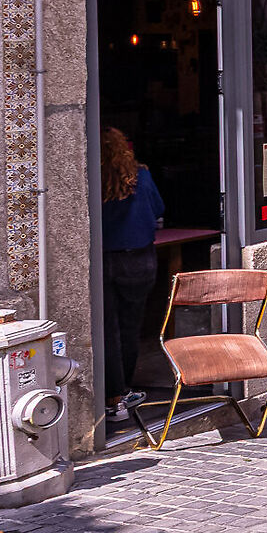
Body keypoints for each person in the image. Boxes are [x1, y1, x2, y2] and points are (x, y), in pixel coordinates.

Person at [100, 128, 165, 427]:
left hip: (103, 259)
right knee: (130, 326)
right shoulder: (141, 177)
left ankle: (113, 396)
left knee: (107, 329)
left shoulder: (92, 176)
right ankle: (123, 390)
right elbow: (158, 210)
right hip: (138, 259)